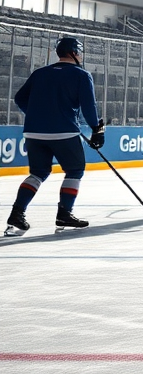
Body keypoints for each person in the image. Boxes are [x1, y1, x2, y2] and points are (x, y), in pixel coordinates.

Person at [4, 37, 105, 237]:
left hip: (33, 132)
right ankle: (64, 214)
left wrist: (37, 114)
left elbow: (20, 98)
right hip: (64, 132)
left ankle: (17, 214)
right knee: (75, 169)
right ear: (74, 52)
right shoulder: (81, 75)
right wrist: (96, 129)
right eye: (80, 52)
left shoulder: (40, 73)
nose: (81, 56)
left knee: (38, 172)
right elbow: (89, 106)